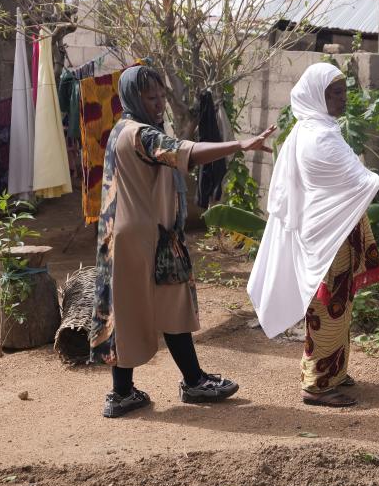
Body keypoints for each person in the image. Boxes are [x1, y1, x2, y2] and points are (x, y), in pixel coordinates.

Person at [247, 62, 379, 408]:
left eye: (344, 90)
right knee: (330, 306)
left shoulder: (309, 128)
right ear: (318, 95)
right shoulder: (320, 138)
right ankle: (317, 385)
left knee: (338, 305)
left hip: (326, 230)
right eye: (336, 92)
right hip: (329, 235)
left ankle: (333, 372)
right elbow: (367, 185)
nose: (345, 98)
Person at [91, 66, 275, 418]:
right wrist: (240, 144)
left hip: (126, 234)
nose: (159, 104)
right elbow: (182, 151)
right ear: (133, 97)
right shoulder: (140, 134)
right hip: (149, 236)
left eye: (162, 96)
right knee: (169, 303)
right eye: (151, 97)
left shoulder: (120, 128)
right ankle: (192, 382)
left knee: (127, 310)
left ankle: (124, 393)